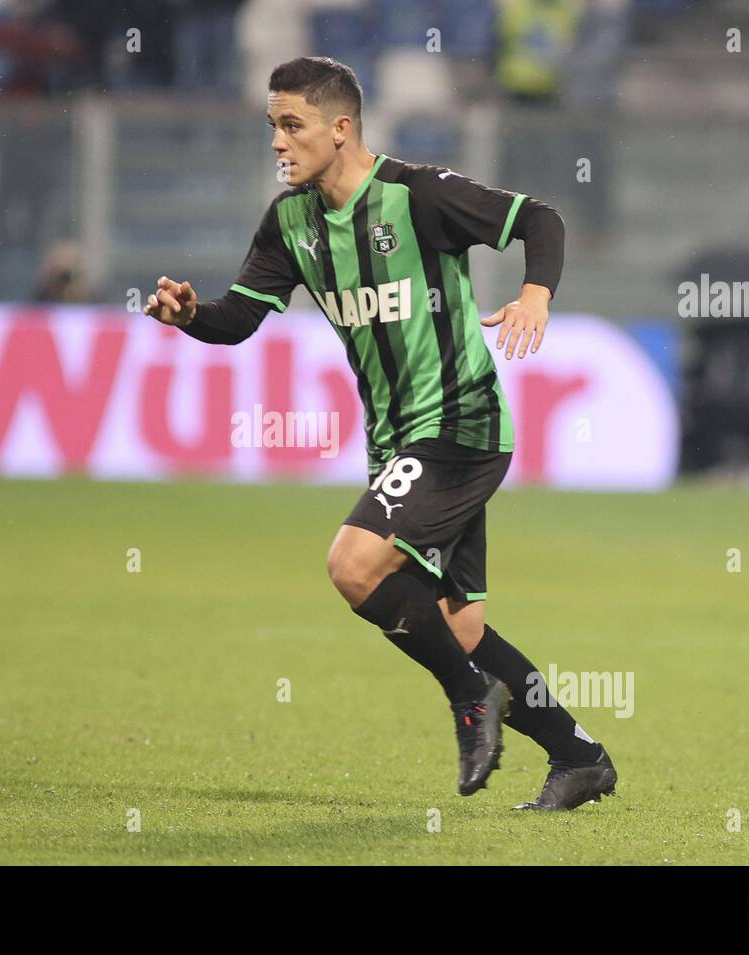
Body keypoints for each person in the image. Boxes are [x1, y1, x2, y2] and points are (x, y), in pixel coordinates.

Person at [143, 56, 616, 809]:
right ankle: (579, 755)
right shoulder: (291, 220)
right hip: (399, 440)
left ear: (341, 128)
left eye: (292, 126)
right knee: (459, 626)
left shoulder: (417, 196)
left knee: (353, 565)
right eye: (273, 127)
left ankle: (471, 700)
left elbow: (540, 220)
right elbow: (241, 317)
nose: (278, 143)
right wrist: (191, 315)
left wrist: (534, 294)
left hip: (461, 423)